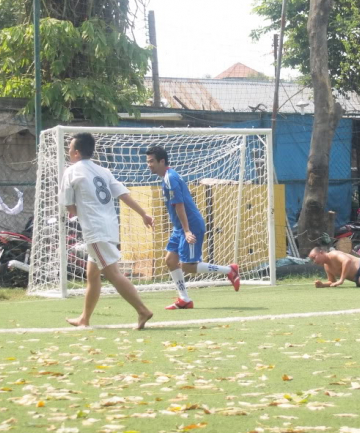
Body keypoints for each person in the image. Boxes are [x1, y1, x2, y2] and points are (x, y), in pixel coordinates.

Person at [60, 133, 154, 329]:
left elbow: (69, 207)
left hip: (94, 230)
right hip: (110, 227)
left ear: (76, 152)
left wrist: (76, 214)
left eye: (69, 149)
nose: (68, 153)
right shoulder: (103, 170)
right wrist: (143, 214)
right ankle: (84, 318)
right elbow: (123, 194)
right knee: (92, 276)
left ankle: (142, 310)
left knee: (113, 274)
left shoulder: (71, 171)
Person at [146, 145, 240, 309]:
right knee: (170, 260)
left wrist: (187, 230)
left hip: (190, 226)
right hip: (180, 227)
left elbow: (179, 205)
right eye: (148, 161)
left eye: (151, 161)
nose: (149, 165)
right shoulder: (168, 177)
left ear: (162, 161)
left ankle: (230, 270)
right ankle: (185, 299)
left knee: (188, 266)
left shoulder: (171, 178)